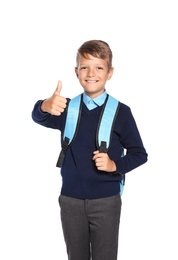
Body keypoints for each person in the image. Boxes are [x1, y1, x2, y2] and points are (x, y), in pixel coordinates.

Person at [32, 40, 148, 260]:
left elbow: (139, 154)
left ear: (110, 72)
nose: (91, 73)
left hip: (106, 201)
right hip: (70, 200)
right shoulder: (66, 108)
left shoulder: (121, 112)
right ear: (76, 72)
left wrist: (115, 165)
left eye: (99, 67)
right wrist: (43, 106)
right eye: (84, 67)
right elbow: (39, 117)